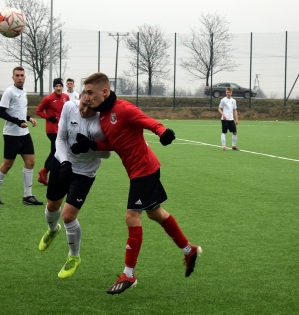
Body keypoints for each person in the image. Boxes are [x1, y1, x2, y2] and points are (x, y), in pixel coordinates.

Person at [73, 72, 202, 295]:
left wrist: (163, 133)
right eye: (85, 92)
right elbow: (115, 145)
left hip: (144, 170)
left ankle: (129, 275)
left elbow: (149, 122)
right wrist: (90, 145)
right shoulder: (103, 116)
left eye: (90, 92)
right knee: (156, 213)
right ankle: (189, 250)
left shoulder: (123, 109)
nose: (86, 97)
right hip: (140, 170)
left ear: (105, 91)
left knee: (132, 216)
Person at [38, 92, 110, 279]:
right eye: (83, 105)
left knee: (68, 216)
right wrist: (64, 162)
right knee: (52, 205)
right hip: (62, 162)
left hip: (85, 172)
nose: (84, 110)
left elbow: (106, 154)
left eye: (89, 108)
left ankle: (74, 257)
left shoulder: (100, 123)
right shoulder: (70, 106)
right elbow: (60, 139)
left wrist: (89, 146)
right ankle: (53, 230)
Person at [0, 66, 43, 206]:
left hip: (24, 133)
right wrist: (18, 122)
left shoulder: (24, 91)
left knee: (30, 162)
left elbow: (19, 111)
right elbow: (1, 112)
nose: (20, 78)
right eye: (17, 75)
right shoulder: (9, 92)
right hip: (12, 134)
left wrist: (29, 118)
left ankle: (28, 196)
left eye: (22, 75)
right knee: (7, 164)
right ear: (13, 77)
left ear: (25, 77)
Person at [35, 78, 70, 186]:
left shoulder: (66, 97)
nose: (58, 88)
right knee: (57, 151)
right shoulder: (48, 99)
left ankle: (45, 173)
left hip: (62, 128)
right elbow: (38, 111)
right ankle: (44, 172)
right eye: (56, 86)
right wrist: (49, 117)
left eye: (60, 86)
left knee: (55, 152)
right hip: (52, 130)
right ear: (54, 87)